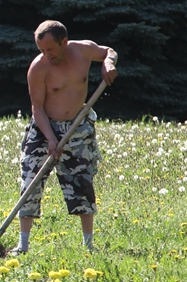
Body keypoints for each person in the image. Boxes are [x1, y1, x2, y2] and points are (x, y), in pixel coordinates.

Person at [13, 20, 118, 254]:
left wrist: (108, 64)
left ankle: (88, 246)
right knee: (30, 181)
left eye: (50, 49)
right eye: (42, 50)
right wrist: (50, 138)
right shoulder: (38, 68)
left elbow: (109, 51)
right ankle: (22, 245)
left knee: (82, 181)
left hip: (77, 126)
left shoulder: (83, 50)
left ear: (64, 42)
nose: (46, 54)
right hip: (44, 128)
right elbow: (37, 109)